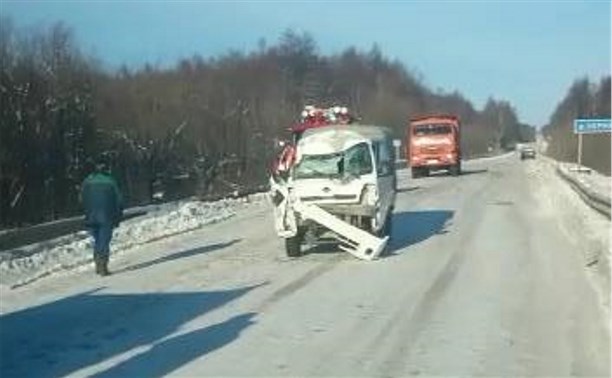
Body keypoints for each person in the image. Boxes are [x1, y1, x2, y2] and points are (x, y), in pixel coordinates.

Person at [81, 157, 123, 276]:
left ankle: (97, 262)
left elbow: (81, 198)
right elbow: (119, 199)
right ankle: (102, 265)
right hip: (107, 214)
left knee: (97, 239)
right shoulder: (111, 180)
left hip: (91, 215)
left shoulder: (87, 180)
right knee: (104, 240)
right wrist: (119, 214)